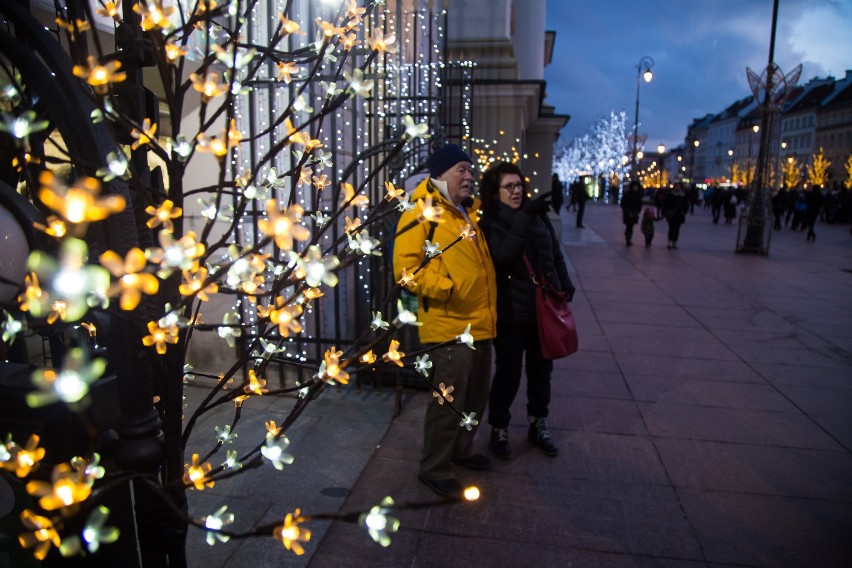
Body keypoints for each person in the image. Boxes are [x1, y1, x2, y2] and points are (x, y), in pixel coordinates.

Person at [393, 143, 497, 498]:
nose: (469, 177)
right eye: (461, 170)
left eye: (470, 170)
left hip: (479, 322)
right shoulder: (423, 210)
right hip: (449, 324)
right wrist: (446, 289)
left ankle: (460, 451)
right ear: (439, 175)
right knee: (448, 403)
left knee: (475, 397)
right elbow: (404, 269)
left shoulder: (464, 211)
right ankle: (434, 467)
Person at [478, 162, 575, 459]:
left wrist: (564, 283)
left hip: (542, 308)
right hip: (511, 312)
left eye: (519, 185)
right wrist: (525, 219)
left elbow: (553, 252)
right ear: (495, 194)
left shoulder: (536, 216)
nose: (517, 191)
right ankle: (499, 427)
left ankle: (538, 423)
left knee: (541, 370)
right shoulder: (489, 223)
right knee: (509, 373)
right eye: (510, 187)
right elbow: (504, 257)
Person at [663, 182, 689, 249]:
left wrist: (684, 212)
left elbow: (686, 205)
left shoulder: (683, 196)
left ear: (681, 187)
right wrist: (666, 211)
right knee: (671, 228)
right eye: (676, 186)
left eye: (679, 186)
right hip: (671, 215)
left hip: (679, 215)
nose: (677, 187)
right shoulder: (671, 194)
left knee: (677, 229)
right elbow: (666, 204)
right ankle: (669, 242)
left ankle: (675, 242)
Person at [620, 180, 643, 246]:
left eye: (636, 187)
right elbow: (623, 204)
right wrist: (627, 211)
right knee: (628, 226)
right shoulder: (627, 194)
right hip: (628, 213)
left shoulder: (638, 195)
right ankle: (628, 239)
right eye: (634, 187)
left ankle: (629, 239)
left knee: (631, 227)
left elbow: (640, 204)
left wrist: (638, 211)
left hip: (634, 213)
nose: (635, 188)